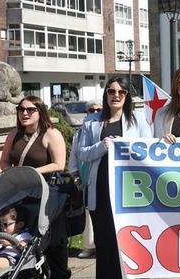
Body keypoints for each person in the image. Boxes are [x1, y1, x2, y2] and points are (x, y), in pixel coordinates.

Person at [77, 76, 152, 279]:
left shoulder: (138, 121)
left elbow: (148, 152)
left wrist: (126, 144)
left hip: (126, 193)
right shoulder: (92, 121)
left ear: (127, 96)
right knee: (103, 243)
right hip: (99, 191)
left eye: (121, 92)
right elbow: (82, 153)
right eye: (111, 91)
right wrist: (103, 146)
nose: (116, 95)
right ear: (106, 94)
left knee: (124, 243)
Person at [0, 96, 68, 278]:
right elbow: (4, 160)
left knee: (52, 243)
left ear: (40, 111)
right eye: (21, 110)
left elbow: (59, 164)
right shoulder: (14, 134)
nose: (24, 113)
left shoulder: (51, 134)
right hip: (21, 195)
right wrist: (13, 175)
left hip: (47, 195)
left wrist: (32, 173)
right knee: (25, 240)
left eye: (30, 110)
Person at [70, 102, 101, 259]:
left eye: (98, 109)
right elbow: (74, 155)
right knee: (88, 214)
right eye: (91, 109)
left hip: (101, 177)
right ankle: (89, 246)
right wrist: (75, 174)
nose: (94, 111)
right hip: (85, 176)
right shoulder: (80, 132)